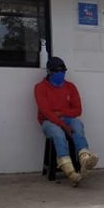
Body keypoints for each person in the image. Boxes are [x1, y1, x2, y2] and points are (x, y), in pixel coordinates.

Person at [34, 56, 98, 186]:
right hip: (48, 121)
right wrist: (63, 124)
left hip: (66, 118)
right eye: (58, 71)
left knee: (78, 125)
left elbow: (78, 110)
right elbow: (46, 112)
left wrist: (62, 114)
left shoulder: (70, 87)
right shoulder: (40, 88)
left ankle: (85, 158)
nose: (61, 74)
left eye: (63, 71)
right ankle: (69, 169)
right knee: (58, 134)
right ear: (50, 72)